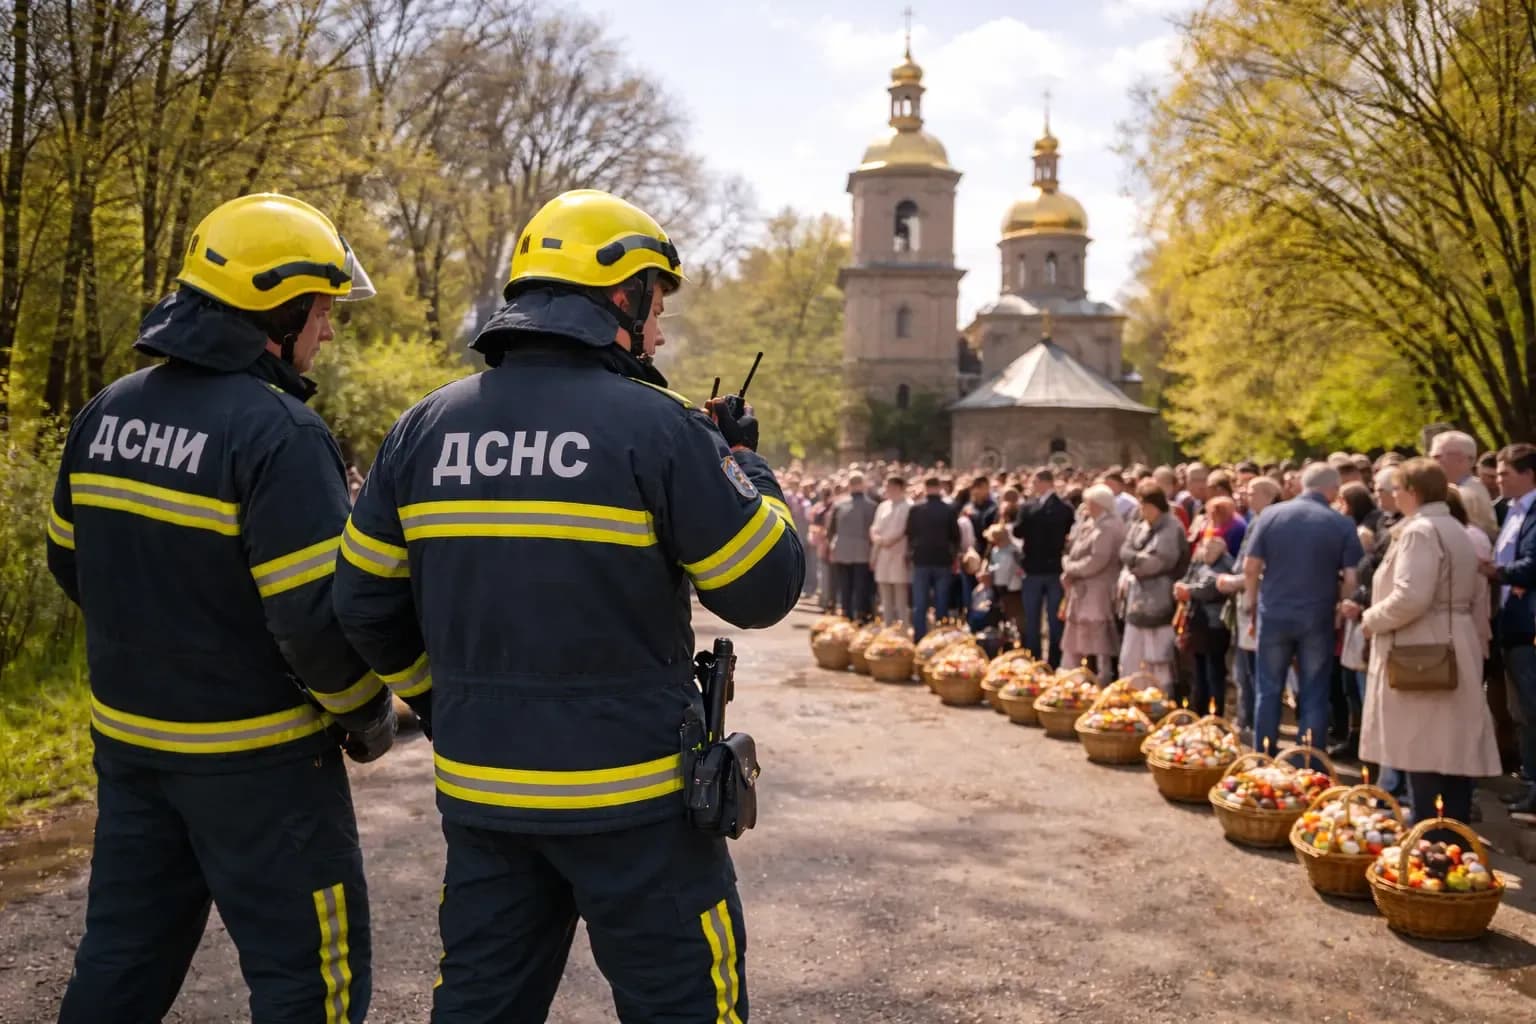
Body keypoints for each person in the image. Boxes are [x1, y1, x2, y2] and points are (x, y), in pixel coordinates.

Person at [333, 189, 803, 1021]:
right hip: (636, 806)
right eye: (657, 307)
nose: (660, 332)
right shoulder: (659, 428)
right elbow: (764, 588)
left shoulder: (423, 428)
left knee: (478, 1007)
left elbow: (363, 601)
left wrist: (444, 700)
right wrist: (745, 464)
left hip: (485, 794)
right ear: (621, 297)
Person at [44, 194, 397, 1022]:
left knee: (121, 966)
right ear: (277, 314)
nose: (328, 332)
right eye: (322, 310)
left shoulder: (108, 409)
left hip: (132, 748)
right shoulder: (281, 433)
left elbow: (71, 562)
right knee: (312, 985)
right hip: (262, 767)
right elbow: (313, 623)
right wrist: (369, 714)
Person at [1353, 459, 1500, 832]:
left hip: (1423, 647)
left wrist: (1371, 619)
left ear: (1413, 492)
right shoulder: (1453, 527)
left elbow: (1411, 597)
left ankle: (1428, 835)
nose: (1393, 496)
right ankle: (1451, 833)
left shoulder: (1421, 530)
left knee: (1422, 745)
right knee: (1449, 748)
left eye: (1397, 489)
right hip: (1449, 639)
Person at [1244, 463, 1364, 758]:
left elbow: (1251, 567)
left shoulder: (1271, 515)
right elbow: (1351, 577)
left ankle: (1264, 755)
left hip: (1274, 612)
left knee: (1268, 688)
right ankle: (1310, 760)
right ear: (1333, 489)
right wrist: (1340, 610)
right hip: (1317, 616)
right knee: (1314, 690)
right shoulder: (1341, 523)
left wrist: (1251, 604)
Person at [1485, 443, 1536, 813]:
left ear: (1528, 474)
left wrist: (1496, 572)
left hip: (1527, 627)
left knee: (1531, 711)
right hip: (1511, 624)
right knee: (1521, 712)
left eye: (1504, 473)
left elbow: (1531, 565)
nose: (1497, 480)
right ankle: (1530, 782)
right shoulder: (1511, 510)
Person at [1119, 482, 1190, 688]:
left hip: (1161, 599)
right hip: (1137, 599)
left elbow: (1158, 562)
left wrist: (1134, 562)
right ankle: (1132, 693)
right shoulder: (1139, 526)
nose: (1142, 510)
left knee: (1158, 658)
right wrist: (1136, 559)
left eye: (1145, 506)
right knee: (1130, 656)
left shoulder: (1171, 528)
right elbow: (1124, 550)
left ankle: (1160, 696)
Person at [1060, 485, 1126, 674]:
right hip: (1082, 588)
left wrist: (1071, 569)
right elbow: (1073, 549)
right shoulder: (1090, 524)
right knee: (1079, 637)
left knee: (1099, 638)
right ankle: (1076, 674)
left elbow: (1098, 560)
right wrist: (1068, 564)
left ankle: (1103, 676)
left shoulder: (1109, 527)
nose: (1086, 507)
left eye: (1089, 503)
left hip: (1098, 589)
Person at [1012, 467, 1076, 665]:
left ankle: (1034, 658)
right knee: (1054, 619)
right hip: (1054, 567)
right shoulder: (1065, 508)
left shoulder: (1028, 508)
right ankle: (1055, 660)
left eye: (1035, 482)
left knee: (1033, 618)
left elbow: (1017, 531)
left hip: (1033, 567)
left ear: (1043, 482)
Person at [1176, 535, 1236, 716]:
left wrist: (1189, 590)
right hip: (1198, 622)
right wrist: (1182, 587)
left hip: (1214, 625)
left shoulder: (1225, 562)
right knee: (1199, 670)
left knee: (1214, 672)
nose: (1208, 549)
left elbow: (1213, 586)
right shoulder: (1199, 560)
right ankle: (1200, 712)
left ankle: (1215, 715)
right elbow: (1187, 578)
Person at [907, 476, 961, 640]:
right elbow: (955, 537)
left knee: (920, 603)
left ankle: (919, 638)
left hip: (921, 559)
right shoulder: (949, 510)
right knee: (941, 602)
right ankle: (940, 638)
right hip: (943, 560)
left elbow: (910, 534)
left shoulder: (916, 510)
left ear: (925, 488)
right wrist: (954, 556)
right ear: (939, 488)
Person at [1431, 430, 1498, 540]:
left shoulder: (1466, 494)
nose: (1432, 461)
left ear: (1461, 458)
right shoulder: (1470, 487)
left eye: (1437, 456)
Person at [829, 471, 877, 620]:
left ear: (849, 485)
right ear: (863, 485)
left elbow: (831, 530)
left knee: (845, 585)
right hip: (863, 550)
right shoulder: (872, 506)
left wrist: (833, 545)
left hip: (842, 549)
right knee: (861, 585)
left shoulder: (839, 504)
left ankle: (846, 614)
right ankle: (860, 615)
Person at [870, 475, 913, 626]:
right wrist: (876, 538)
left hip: (899, 552)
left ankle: (903, 627)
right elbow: (874, 526)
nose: (887, 490)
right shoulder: (883, 506)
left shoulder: (908, 506)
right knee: (885, 595)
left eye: (890, 487)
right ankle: (887, 626)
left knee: (901, 596)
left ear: (899, 488)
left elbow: (902, 529)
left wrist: (886, 540)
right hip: (882, 552)